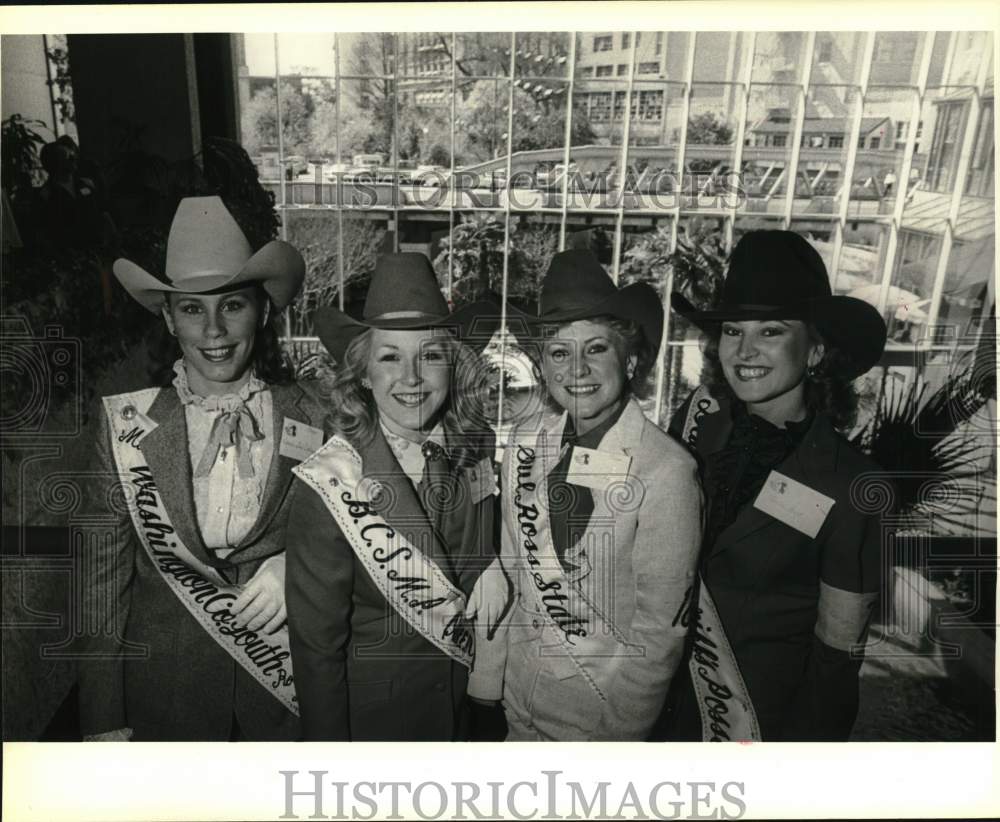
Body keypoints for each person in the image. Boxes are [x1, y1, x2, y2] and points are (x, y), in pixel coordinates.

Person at [78, 195, 324, 741]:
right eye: (192, 308)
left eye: (231, 305)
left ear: (261, 311)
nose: (213, 329)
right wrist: (101, 720)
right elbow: (100, 584)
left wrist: (299, 567)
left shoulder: (319, 413)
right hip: (167, 702)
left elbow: (361, 534)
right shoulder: (125, 427)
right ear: (168, 317)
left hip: (290, 696)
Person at [661, 229, 889, 742]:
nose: (745, 351)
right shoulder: (699, 420)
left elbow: (836, 654)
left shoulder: (851, 483)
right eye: (733, 331)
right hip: (656, 709)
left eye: (771, 332)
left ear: (814, 352)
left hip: (754, 727)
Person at [480, 249, 703, 741]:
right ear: (543, 365)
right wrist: (487, 692)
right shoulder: (523, 445)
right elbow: (514, 575)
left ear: (631, 358)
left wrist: (616, 745)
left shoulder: (666, 471)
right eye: (559, 352)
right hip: (516, 712)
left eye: (596, 349)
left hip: (596, 727)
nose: (576, 368)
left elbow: (658, 636)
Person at [284, 252, 502, 741]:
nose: (411, 378)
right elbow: (317, 651)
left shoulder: (477, 447)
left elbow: (478, 537)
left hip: (465, 720)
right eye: (390, 357)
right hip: (377, 730)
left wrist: (492, 561)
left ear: (454, 366)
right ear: (362, 373)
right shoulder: (331, 482)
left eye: (429, 355)